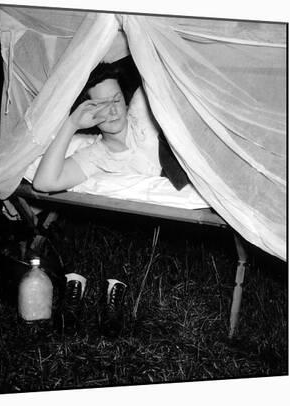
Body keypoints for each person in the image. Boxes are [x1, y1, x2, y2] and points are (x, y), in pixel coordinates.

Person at [33, 61, 185, 337]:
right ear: (87, 112)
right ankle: (75, 288)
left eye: (117, 100)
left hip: (148, 224)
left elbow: (162, 68)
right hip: (114, 222)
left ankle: (113, 291)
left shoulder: (144, 118)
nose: (114, 109)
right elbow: (44, 182)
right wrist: (71, 125)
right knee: (90, 216)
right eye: (102, 104)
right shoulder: (95, 154)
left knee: (124, 222)